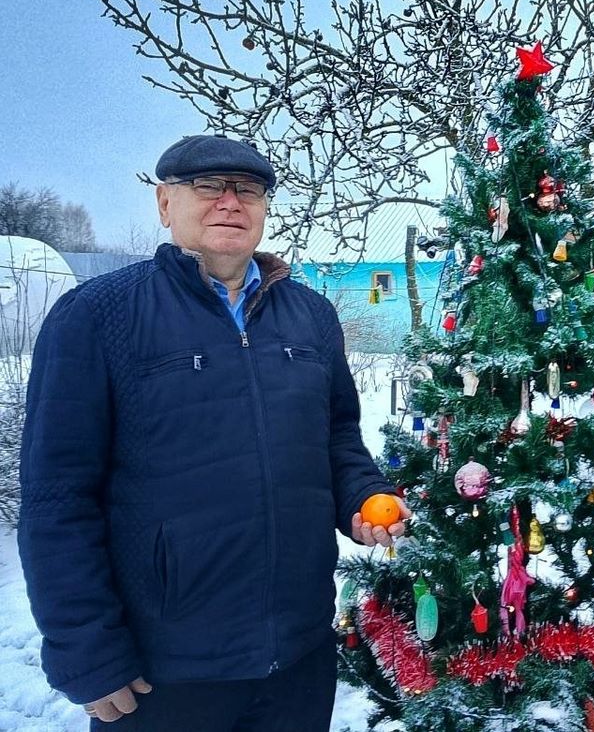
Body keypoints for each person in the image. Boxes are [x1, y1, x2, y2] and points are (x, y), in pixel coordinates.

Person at [19, 135, 409, 730]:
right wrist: (87, 650)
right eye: (207, 186)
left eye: (248, 189)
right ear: (164, 203)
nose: (230, 201)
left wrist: (361, 495)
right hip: (167, 668)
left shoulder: (311, 316)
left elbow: (337, 439)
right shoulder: (97, 316)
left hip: (300, 655)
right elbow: (57, 497)